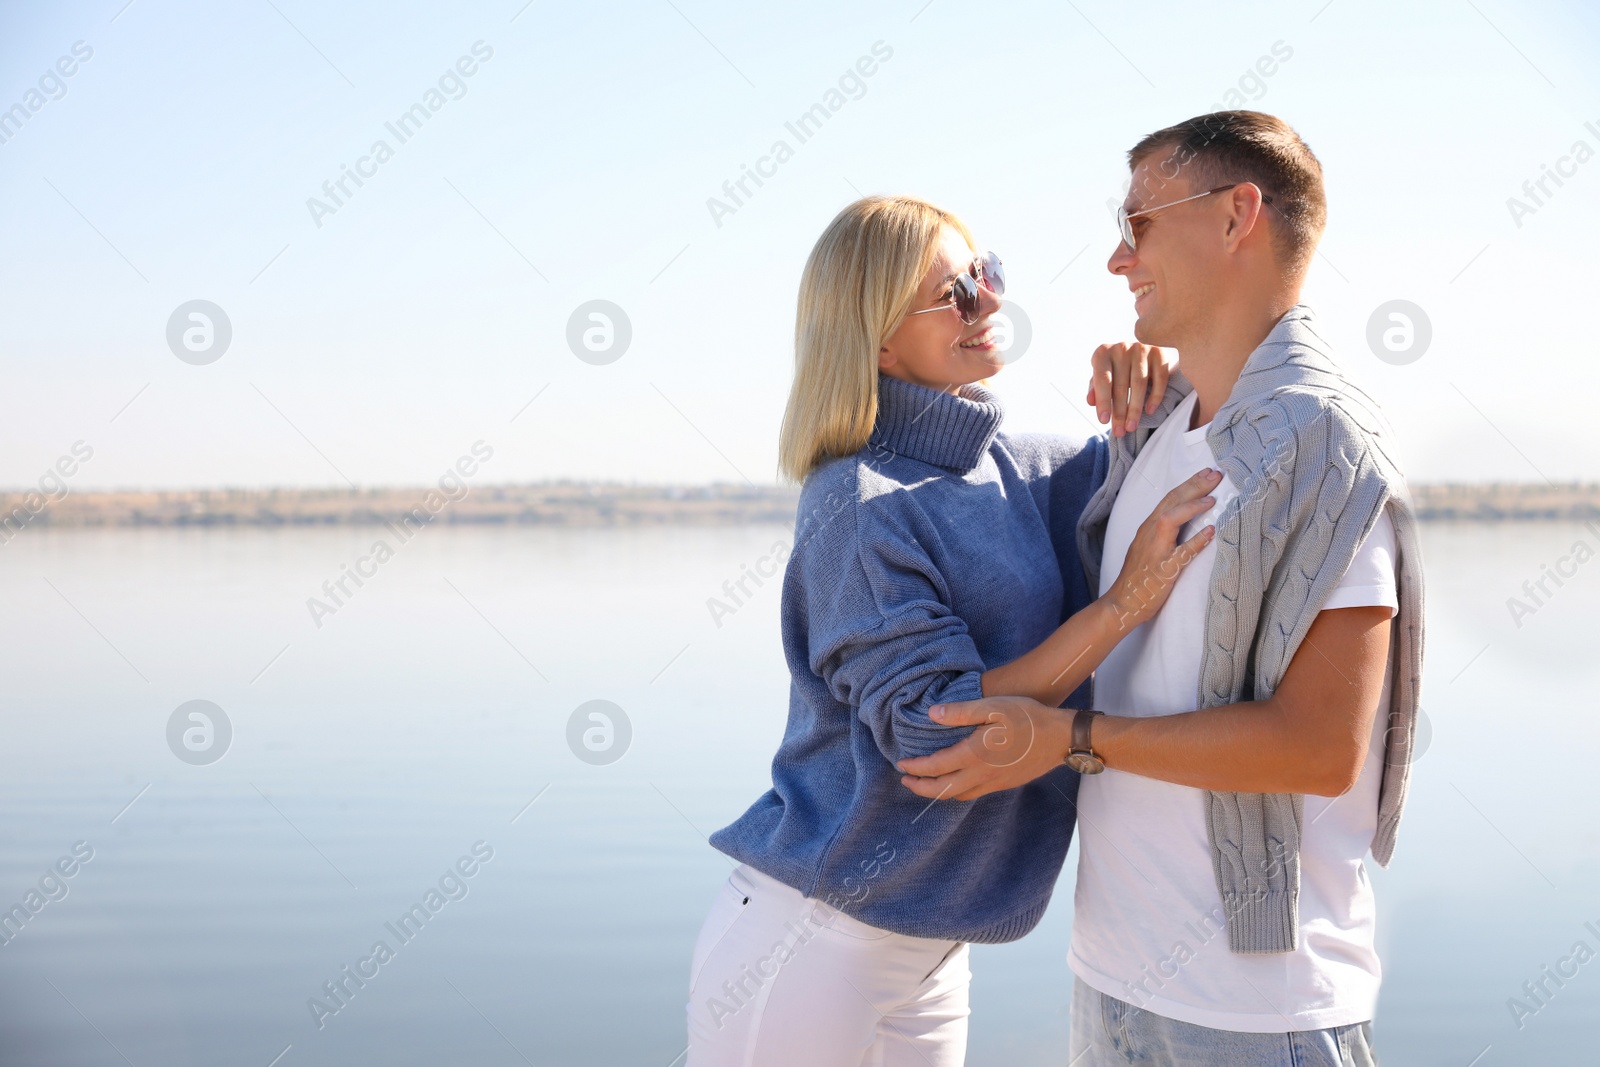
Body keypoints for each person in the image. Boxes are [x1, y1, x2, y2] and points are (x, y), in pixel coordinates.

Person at [899, 111, 1425, 1066]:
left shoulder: (1322, 447)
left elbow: (1318, 747)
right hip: (1112, 985)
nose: (1114, 257)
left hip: (1257, 1011)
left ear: (1237, 217)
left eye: (1138, 223)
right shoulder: (1154, 434)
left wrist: (1075, 740)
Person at [686, 195, 1218, 1066]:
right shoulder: (855, 507)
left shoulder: (1023, 464)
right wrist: (1123, 606)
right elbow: (936, 733)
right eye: (956, 293)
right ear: (879, 338)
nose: (990, 303)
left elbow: (1179, 439)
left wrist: (1155, 372)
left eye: (988, 274)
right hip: (810, 944)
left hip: (932, 950)